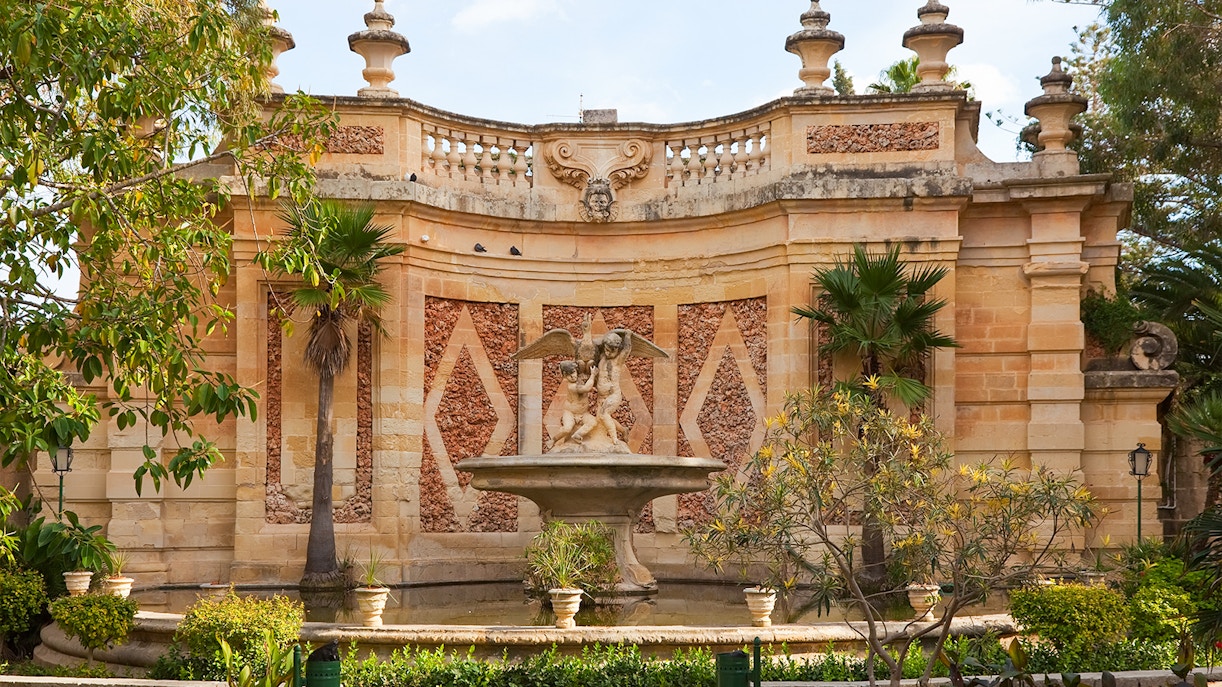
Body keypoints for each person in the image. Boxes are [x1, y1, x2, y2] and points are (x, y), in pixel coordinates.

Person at [553, 360, 598, 449]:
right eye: (569, 375)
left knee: (593, 422)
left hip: (583, 413)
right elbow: (586, 388)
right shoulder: (572, 386)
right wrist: (592, 375)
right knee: (567, 428)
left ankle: (578, 434)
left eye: (573, 372)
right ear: (565, 376)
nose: (573, 376)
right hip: (570, 412)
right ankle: (554, 439)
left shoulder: (579, 379)